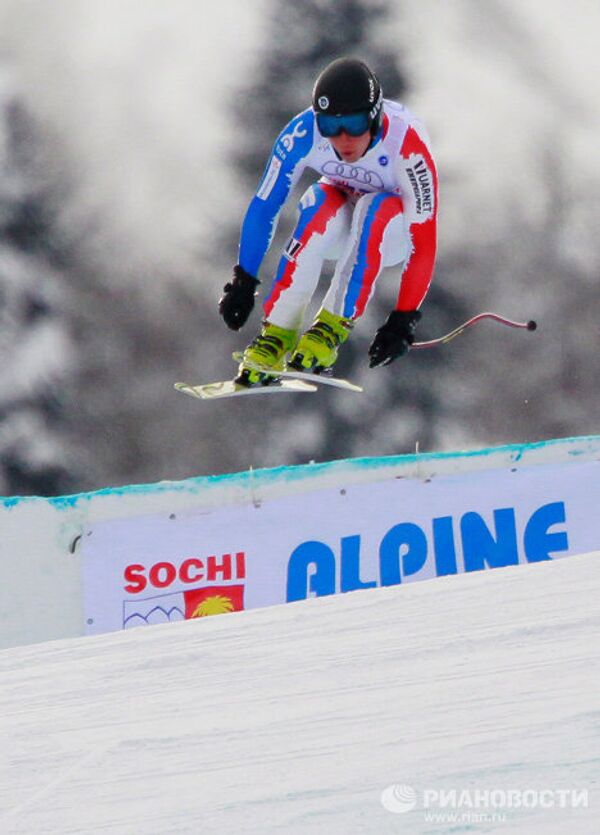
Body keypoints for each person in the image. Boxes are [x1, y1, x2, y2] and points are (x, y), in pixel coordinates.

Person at [219, 56, 438, 386]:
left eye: (354, 124)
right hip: (342, 218)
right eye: (331, 127)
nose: (343, 139)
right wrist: (244, 279)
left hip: (392, 232)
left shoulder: (407, 148)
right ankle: (276, 335)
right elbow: (266, 205)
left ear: (375, 118)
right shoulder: (304, 132)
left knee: (374, 209)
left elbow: (424, 241)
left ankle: (329, 329)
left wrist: (403, 318)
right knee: (318, 204)